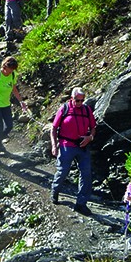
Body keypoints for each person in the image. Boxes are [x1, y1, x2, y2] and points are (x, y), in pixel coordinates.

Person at [49, 87, 97, 215]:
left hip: (82, 146)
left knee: (86, 174)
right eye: (77, 100)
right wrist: (54, 145)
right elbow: (53, 129)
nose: (80, 103)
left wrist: (90, 137)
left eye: (82, 100)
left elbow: (93, 128)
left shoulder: (87, 110)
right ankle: (55, 190)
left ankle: (81, 204)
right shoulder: (64, 109)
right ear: (72, 98)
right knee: (63, 171)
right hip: (66, 145)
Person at [0, 56, 28, 158]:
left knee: (9, 126)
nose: (11, 71)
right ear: (4, 66)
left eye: (13, 69)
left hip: (5, 104)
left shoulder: (12, 75)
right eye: (10, 69)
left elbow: (14, 89)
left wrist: (21, 102)